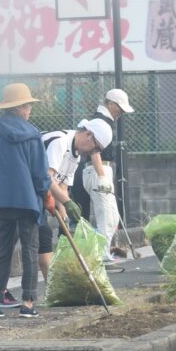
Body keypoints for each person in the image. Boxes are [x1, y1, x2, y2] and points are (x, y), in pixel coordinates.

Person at [0, 82, 50, 319]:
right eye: (28, 105)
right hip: (27, 200)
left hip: (1, 198)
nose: (29, 110)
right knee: (30, 249)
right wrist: (45, 195)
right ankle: (28, 302)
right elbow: (40, 173)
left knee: (3, 249)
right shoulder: (33, 134)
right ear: (20, 107)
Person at [39, 118, 114, 279]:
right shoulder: (60, 142)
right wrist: (67, 202)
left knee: (43, 238)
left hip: (41, 193)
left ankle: (52, 288)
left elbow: (63, 186)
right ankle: (49, 289)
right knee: (39, 237)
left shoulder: (76, 157)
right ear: (88, 134)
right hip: (27, 190)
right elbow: (48, 177)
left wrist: (64, 218)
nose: (92, 153)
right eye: (95, 148)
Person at [70, 88, 135, 263]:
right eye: (119, 108)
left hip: (99, 171)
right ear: (111, 104)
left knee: (111, 216)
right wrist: (102, 177)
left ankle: (101, 254)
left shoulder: (103, 119)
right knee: (106, 217)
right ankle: (100, 257)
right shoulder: (101, 121)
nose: (121, 112)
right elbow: (95, 150)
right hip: (98, 170)